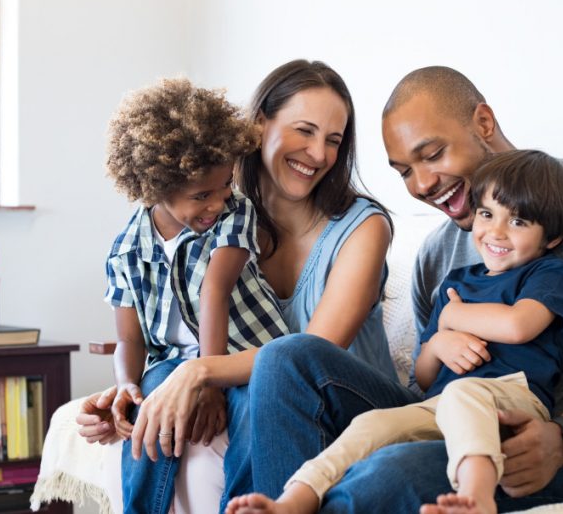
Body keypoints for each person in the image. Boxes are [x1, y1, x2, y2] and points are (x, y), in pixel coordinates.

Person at [245, 66, 563, 513]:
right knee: (286, 358)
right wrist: (440, 342)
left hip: (547, 449)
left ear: (483, 123)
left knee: (385, 474)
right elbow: (427, 382)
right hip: (448, 417)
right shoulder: (437, 254)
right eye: (404, 172)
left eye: (433, 154)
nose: (421, 186)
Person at [76, 60, 399, 512]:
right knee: (164, 389)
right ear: (259, 124)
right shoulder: (215, 218)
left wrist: (200, 372)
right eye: (304, 131)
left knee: (278, 369)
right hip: (265, 390)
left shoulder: (363, 228)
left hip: (349, 402)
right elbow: (173, 324)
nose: (319, 154)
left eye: (333, 140)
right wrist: (132, 393)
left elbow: (310, 355)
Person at [227, 149, 563, 514]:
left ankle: (477, 498)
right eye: (487, 214)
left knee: (464, 393)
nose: (496, 232)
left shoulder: (548, 274)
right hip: (439, 405)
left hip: (513, 400)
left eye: (519, 222)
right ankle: (294, 499)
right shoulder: (456, 282)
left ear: (551, 238)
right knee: (372, 424)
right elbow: (425, 376)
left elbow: (518, 325)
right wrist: (440, 338)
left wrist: (453, 317)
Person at [101, 77, 292, 510]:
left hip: (245, 354)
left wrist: (208, 382)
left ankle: (247, 505)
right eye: (201, 195)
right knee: (148, 405)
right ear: (155, 187)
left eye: (225, 184)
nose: (218, 201)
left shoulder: (234, 212)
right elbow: (129, 339)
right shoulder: (127, 251)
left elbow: (215, 291)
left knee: (252, 409)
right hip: (172, 364)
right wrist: (125, 385)